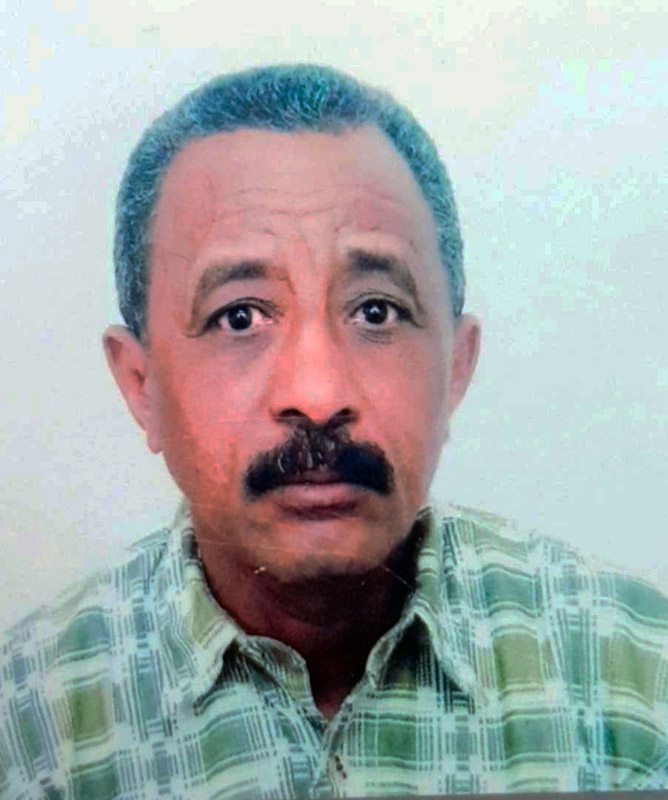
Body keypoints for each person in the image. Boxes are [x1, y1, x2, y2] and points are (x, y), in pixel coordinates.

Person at [0, 64, 666, 799]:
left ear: (455, 369)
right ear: (141, 385)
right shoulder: (28, 728)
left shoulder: (636, 682)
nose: (317, 397)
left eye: (376, 311)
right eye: (239, 317)